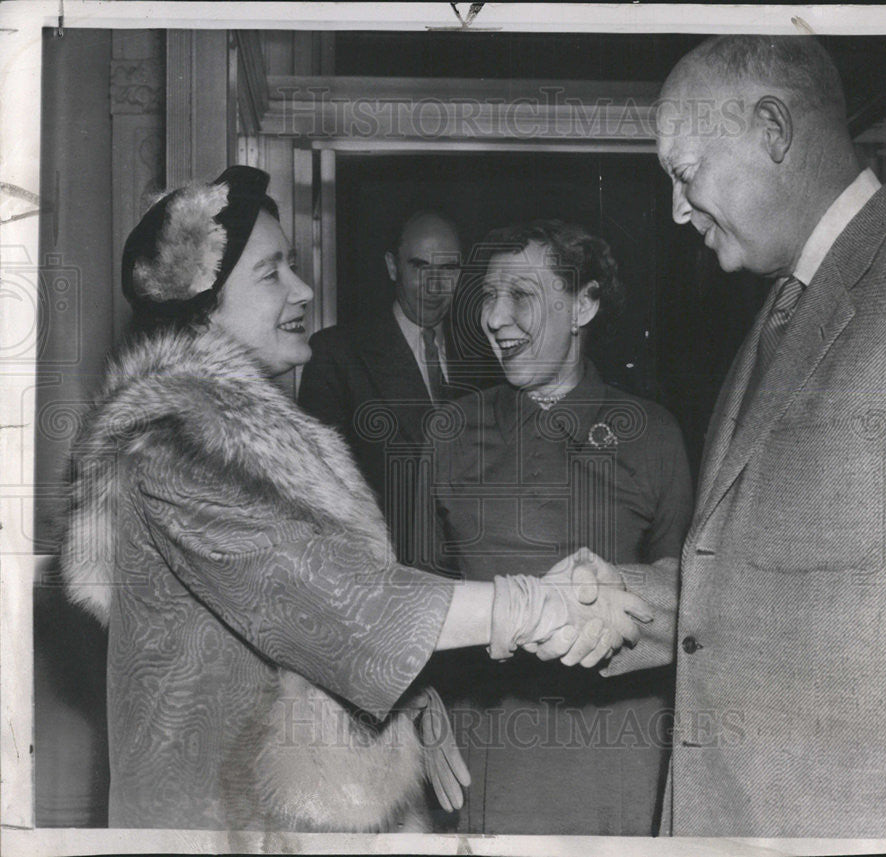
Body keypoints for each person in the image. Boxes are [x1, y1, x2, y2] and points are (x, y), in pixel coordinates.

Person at [59, 167, 655, 832]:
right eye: (271, 273)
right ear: (204, 308)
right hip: (211, 822)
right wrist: (537, 602)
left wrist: (411, 687)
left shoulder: (229, 436)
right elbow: (344, 602)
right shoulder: (173, 445)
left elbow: (297, 626)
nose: (303, 289)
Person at [610, 34, 886, 838]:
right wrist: (638, 595)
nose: (677, 208)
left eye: (685, 173)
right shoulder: (780, 308)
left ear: (773, 130)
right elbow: (800, 589)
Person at [424, 220, 693, 835]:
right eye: (487, 297)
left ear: (584, 304)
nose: (494, 317)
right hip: (476, 752)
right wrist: (414, 704)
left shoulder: (651, 434)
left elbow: (693, 602)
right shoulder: (450, 432)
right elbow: (400, 592)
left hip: (610, 759)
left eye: (521, 296)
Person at [299, 211, 497, 564]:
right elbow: (318, 494)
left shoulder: (490, 356)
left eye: (449, 269)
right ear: (393, 267)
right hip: (387, 572)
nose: (435, 287)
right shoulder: (338, 353)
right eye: (421, 267)